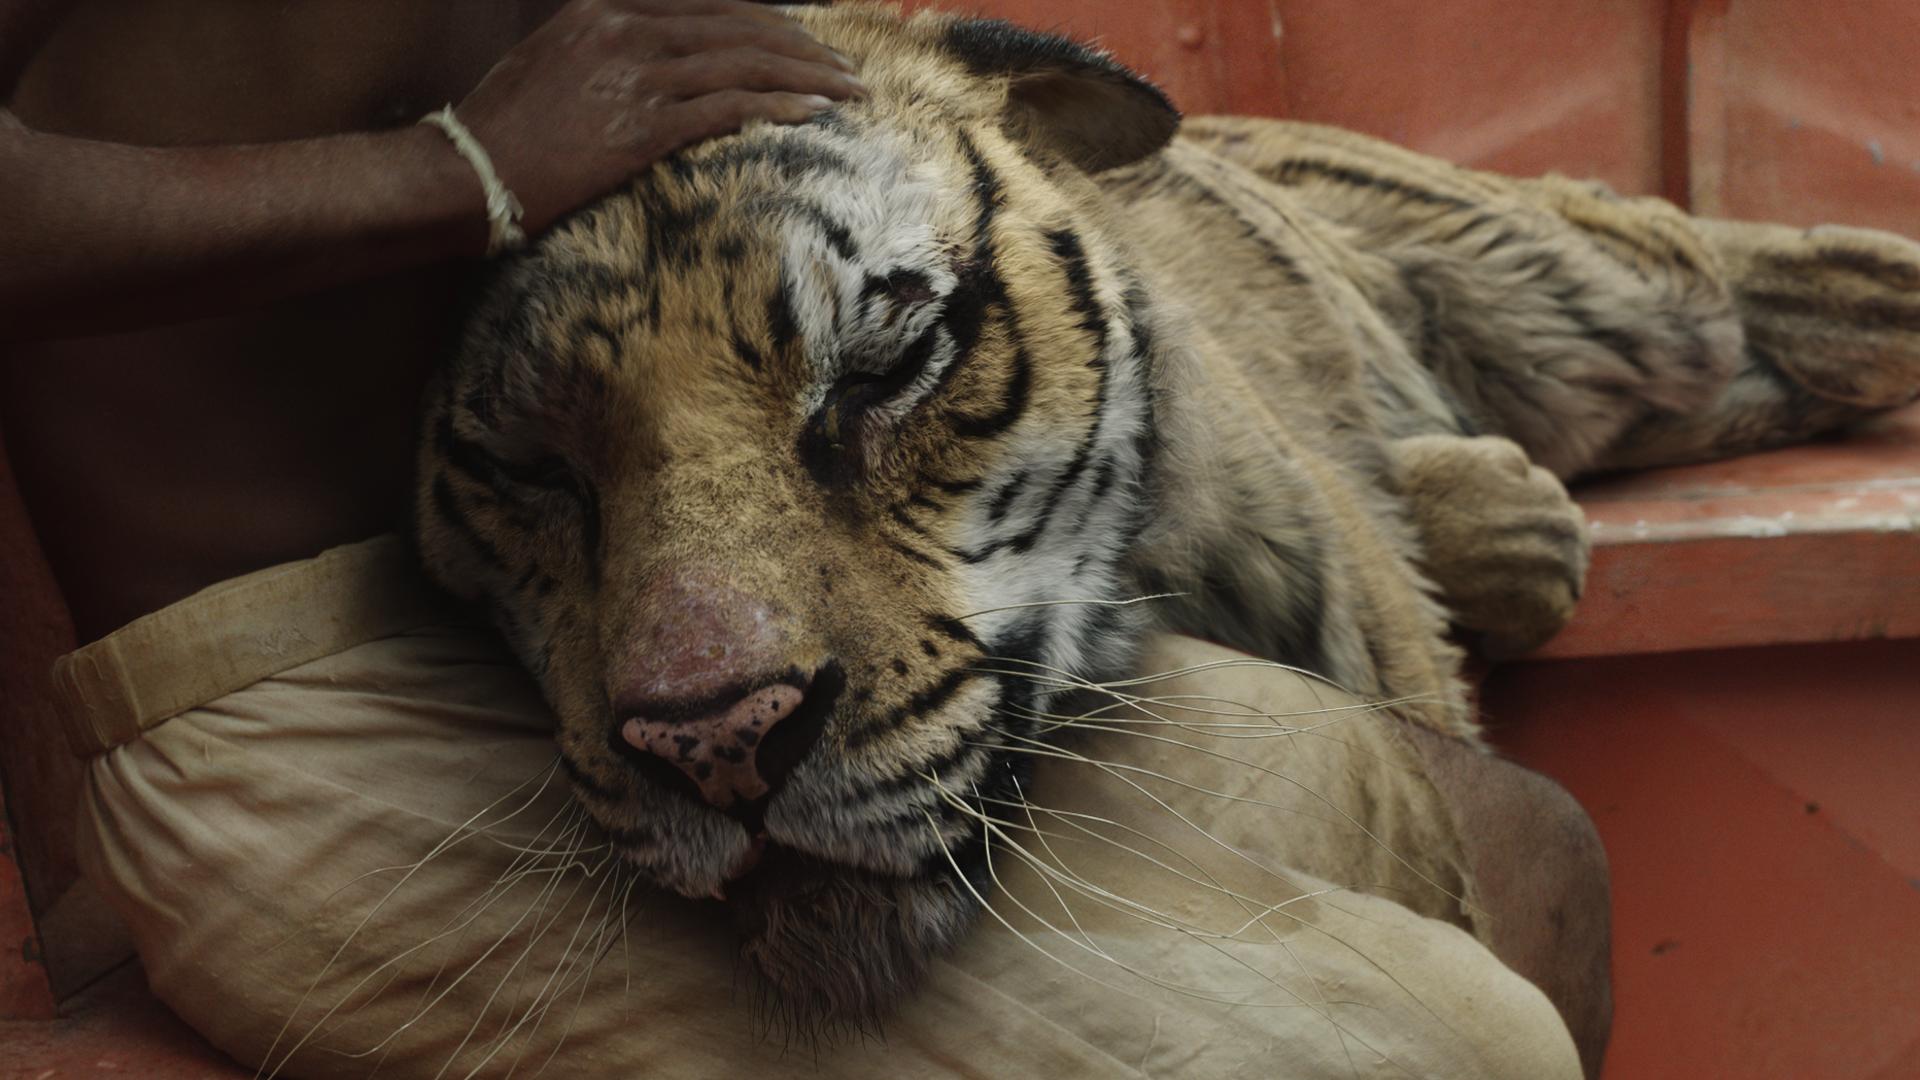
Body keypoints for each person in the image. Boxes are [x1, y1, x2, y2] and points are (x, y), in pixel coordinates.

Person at [0, 3, 1607, 1077]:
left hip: (577, 605)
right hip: (294, 720)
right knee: (1454, 1044)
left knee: (1526, 849)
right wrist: (458, 172)